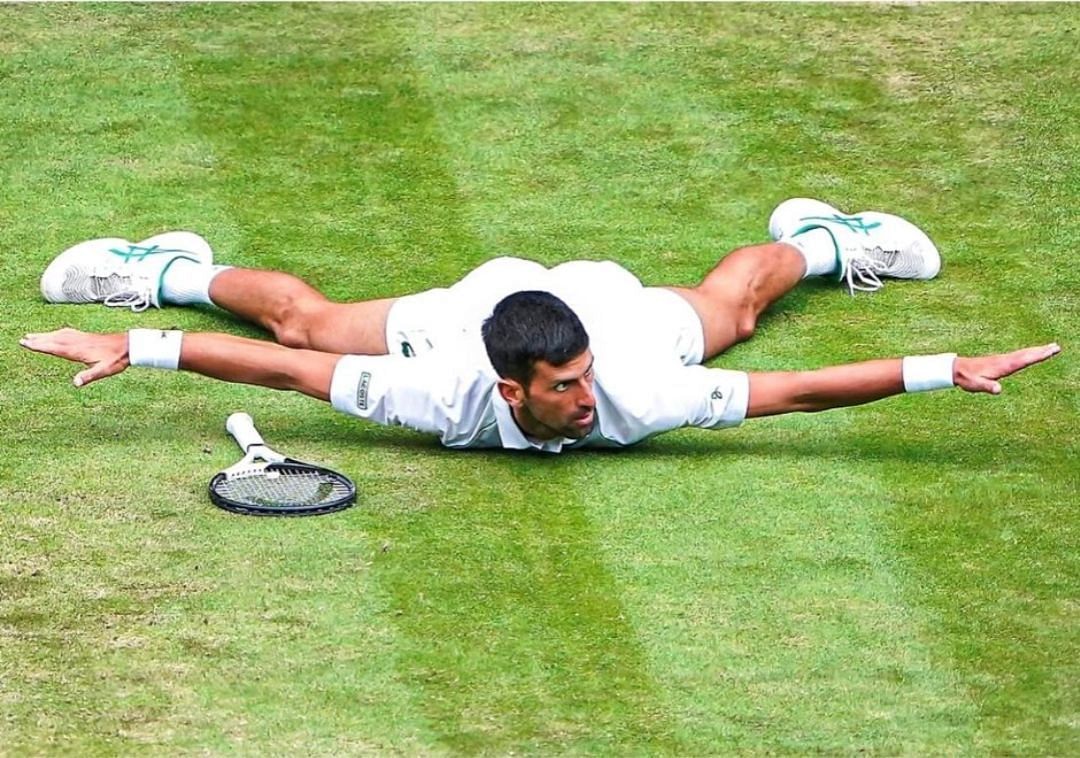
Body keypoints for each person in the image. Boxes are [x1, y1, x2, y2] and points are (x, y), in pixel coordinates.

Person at [21, 198, 1060, 452]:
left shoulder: (630, 378)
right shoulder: (439, 386)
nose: (588, 397)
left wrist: (942, 367)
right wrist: (142, 341)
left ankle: (832, 238)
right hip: (475, 311)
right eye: (567, 388)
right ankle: (166, 267)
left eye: (584, 383)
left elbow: (798, 389)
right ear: (511, 391)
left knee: (741, 304)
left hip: (613, 308)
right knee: (309, 325)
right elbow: (281, 373)